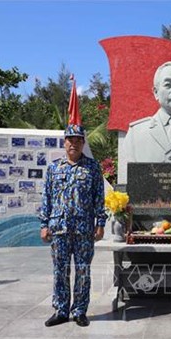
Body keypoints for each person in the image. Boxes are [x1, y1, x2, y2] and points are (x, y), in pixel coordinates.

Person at [39, 124, 106, 328]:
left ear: (83, 143)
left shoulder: (93, 168)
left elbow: (99, 198)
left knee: (83, 271)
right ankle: (61, 310)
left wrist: (100, 223)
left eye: (78, 141)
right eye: (70, 140)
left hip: (84, 229)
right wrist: (44, 224)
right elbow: (46, 198)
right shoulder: (53, 168)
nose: (73, 144)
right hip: (59, 228)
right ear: (64, 142)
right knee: (60, 270)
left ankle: (79, 311)